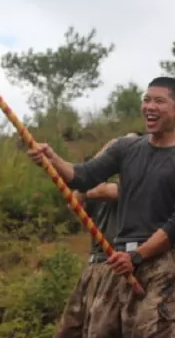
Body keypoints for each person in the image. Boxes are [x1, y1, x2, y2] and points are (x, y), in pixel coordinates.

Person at [29, 77, 175, 338]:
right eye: (146, 100)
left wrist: (138, 256)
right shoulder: (126, 148)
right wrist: (52, 159)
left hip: (160, 264)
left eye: (159, 101)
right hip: (119, 261)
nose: (149, 107)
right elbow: (82, 177)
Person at [54, 137, 123, 338]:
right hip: (93, 267)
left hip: (116, 266)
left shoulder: (132, 185)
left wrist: (88, 184)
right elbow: (74, 201)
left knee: (99, 331)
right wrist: (106, 151)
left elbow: (107, 191)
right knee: (69, 330)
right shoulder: (94, 189)